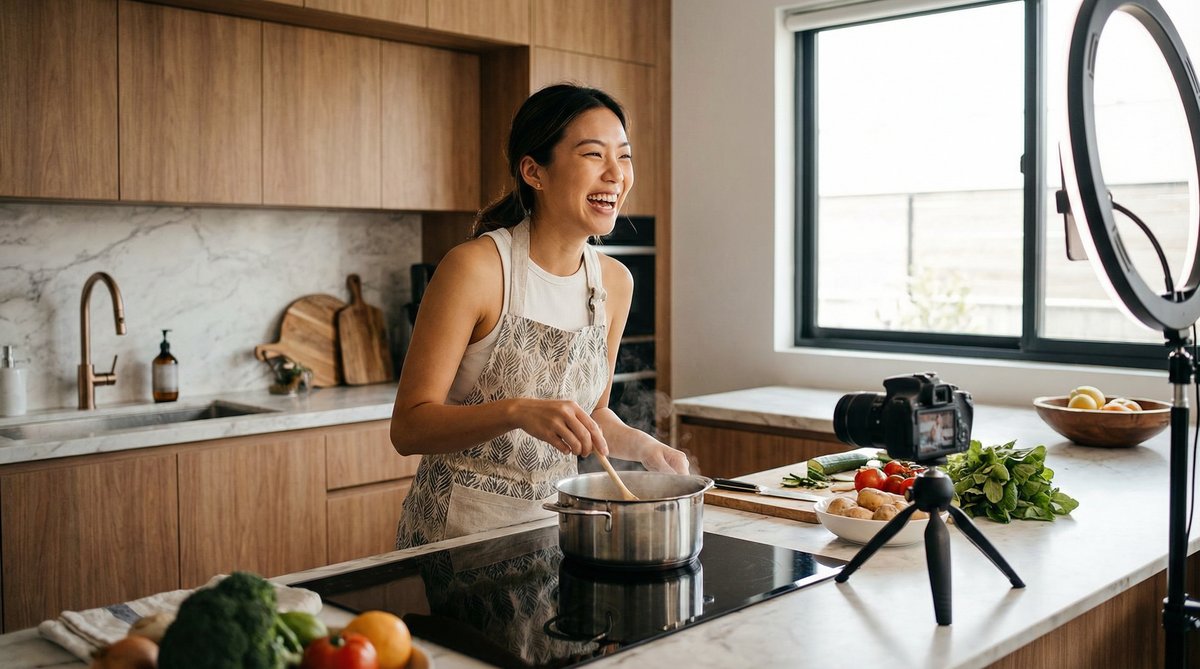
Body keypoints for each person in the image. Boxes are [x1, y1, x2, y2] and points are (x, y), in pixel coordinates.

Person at [391, 84, 691, 549]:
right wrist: (515, 411)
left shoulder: (613, 283)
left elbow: (592, 417)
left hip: (557, 535)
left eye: (624, 156)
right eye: (594, 154)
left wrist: (646, 449)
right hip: (456, 542)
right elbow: (409, 427)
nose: (616, 174)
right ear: (534, 171)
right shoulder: (476, 269)